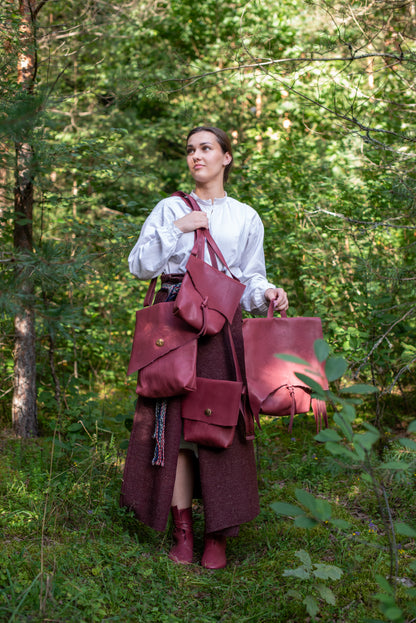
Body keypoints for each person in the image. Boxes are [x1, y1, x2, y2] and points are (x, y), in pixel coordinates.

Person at [120, 126, 289, 569]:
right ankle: (183, 531)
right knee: (172, 430)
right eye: (191, 150)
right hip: (172, 326)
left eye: (207, 148)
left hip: (221, 329)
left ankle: (218, 534)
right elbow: (140, 266)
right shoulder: (169, 208)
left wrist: (268, 292)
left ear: (226, 158)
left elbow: (250, 278)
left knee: (220, 429)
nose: (197, 156)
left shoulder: (245, 216)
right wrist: (178, 227)